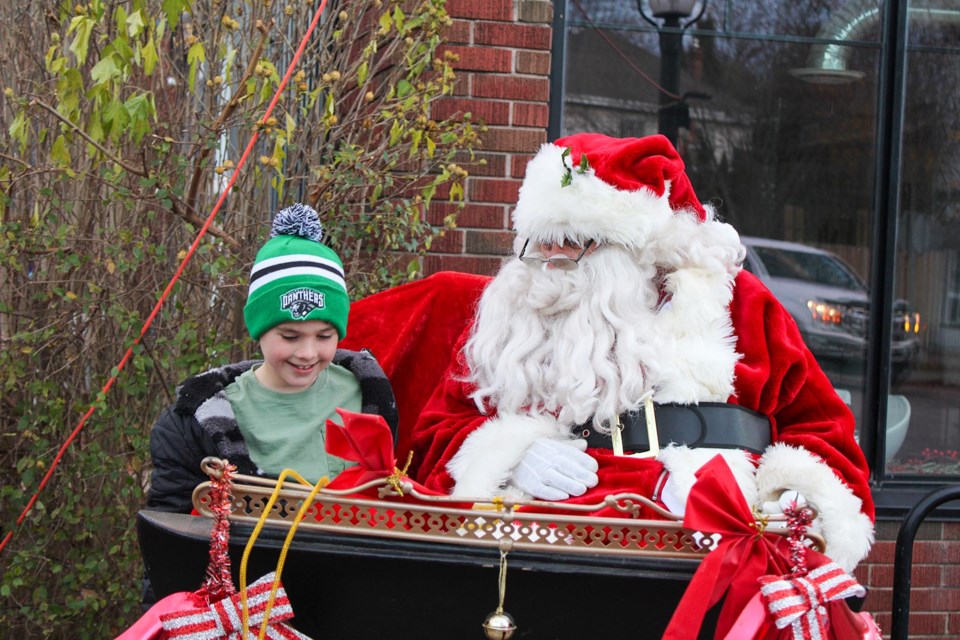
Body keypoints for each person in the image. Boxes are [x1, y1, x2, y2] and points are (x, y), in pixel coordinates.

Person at [407, 133, 874, 575]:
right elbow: (434, 436)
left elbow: (824, 433)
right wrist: (508, 455)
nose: (547, 259)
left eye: (570, 242)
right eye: (538, 239)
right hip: (545, 562)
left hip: (704, 566)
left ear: (636, 250)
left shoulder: (738, 307)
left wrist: (791, 497)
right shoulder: (510, 318)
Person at [147, 203, 398, 514]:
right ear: (259, 330)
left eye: (324, 336)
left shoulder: (369, 396)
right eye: (289, 337)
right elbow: (172, 527)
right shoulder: (200, 421)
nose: (307, 353)